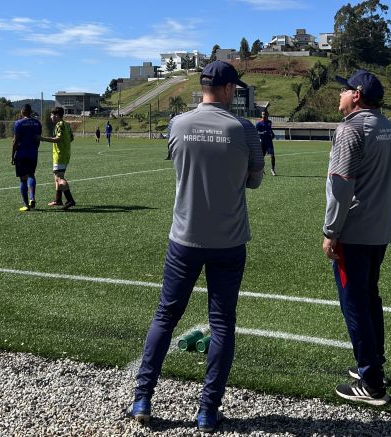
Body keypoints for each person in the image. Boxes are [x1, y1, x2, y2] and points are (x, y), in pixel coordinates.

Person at [128, 60, 264, 433]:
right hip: (229, 240)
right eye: (234, 87)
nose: (236, 92)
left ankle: (142, 398)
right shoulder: (244, 129)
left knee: (165, 317)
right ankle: (207, 411)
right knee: (222, 325)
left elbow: (179, 165)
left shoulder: (178, 124)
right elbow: (254, 182)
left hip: (184, 237)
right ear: (224, 89)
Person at [323, 69, 391, 406]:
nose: (337, 95)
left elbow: (340, 186)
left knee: (354, 303)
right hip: (380, 229)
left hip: (353, 232)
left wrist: (330, 232)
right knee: (370, 299)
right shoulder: (390, 129)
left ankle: (371, 381)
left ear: (356, 94)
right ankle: (373, 364)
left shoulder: (351, 129)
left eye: (342, 90)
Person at [39, 107, 76, 210]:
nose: (51, 117)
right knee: (56, 178)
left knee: (59, 178)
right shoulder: (67, 125)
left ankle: (70, 200)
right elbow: (71, 138)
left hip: (60, 155)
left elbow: (58, 139)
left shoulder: (59, 125)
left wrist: (43, 139)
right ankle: (58, 199)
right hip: (64, 154)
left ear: (56, 115)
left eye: (52, 115)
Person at [11, 104, 42, 212]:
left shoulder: (18, 123)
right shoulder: (37, 123)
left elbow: (15, 141)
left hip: (21, 154)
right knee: (31, 175)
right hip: (33, 153)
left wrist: (12, 155)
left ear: (22, 112)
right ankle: (32, 198)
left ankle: (26, 205)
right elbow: (38, 139)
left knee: (23, 179)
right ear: (31, 112)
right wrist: (35, 149)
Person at [255, 110, 276, 175]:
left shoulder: (269, 122)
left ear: (267, 115)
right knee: (262, 157)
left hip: (269, 141)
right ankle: (262, 169)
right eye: (262, 114)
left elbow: (269, 129)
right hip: (262, 142)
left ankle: (272, 169)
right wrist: (262, 133)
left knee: (272, 155)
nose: (263, 115)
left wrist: (272, 134)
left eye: (264, 114)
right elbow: (255, 133)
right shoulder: (258, 123)